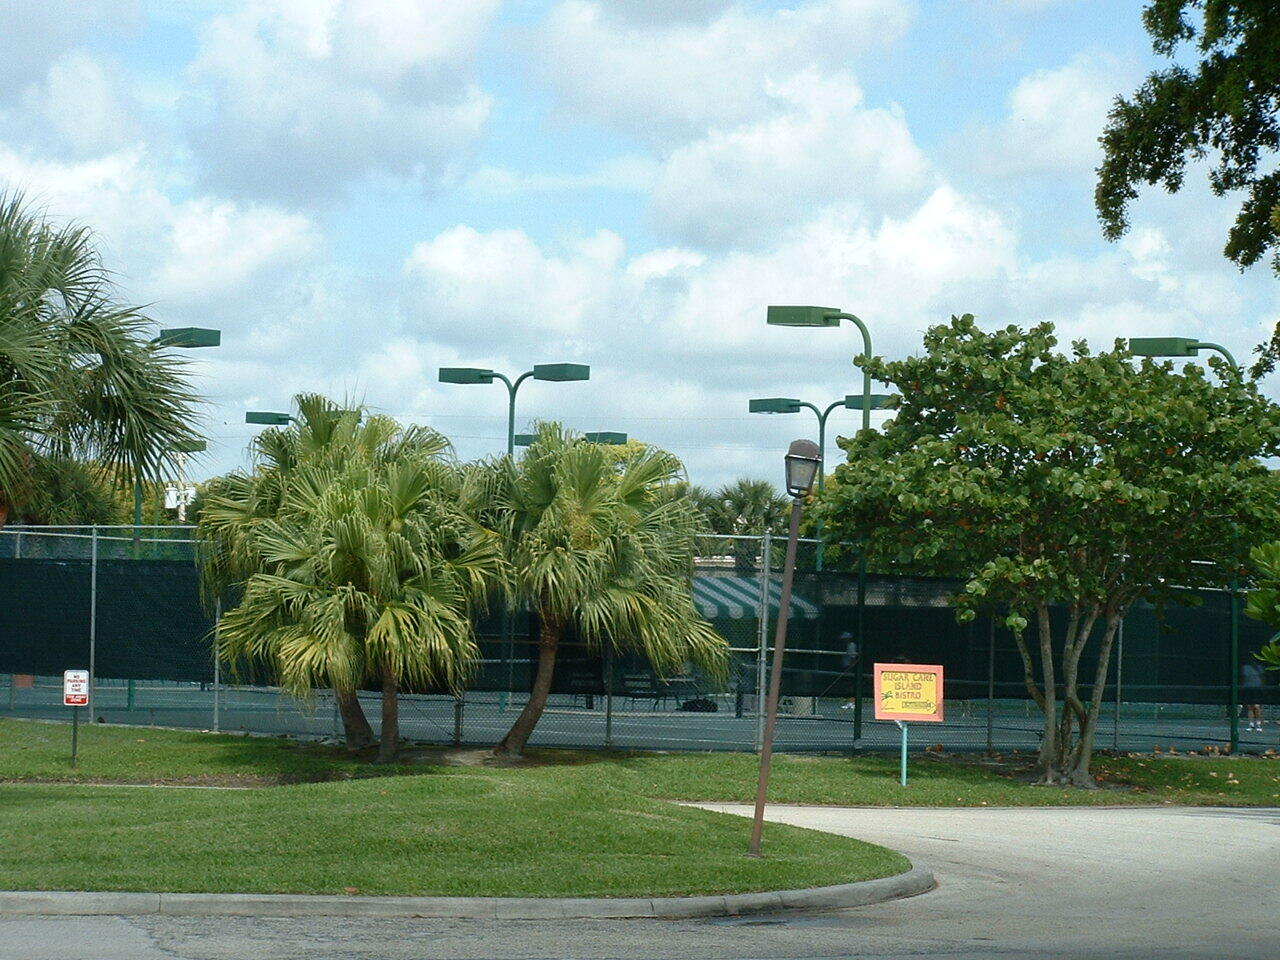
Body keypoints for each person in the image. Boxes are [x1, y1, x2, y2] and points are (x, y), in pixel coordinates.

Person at [1242, 658, 1266, 733]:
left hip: (1257, 689)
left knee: (1257, 707)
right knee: (1250, 707)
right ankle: (1251, 724)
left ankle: (1258, 724)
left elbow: (1263, 678)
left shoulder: (1259, 667)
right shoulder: (1245, 668)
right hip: (1248, 688)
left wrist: (1263, 688)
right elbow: (1243, 678)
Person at [839, 632, 859, 710]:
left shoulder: (851, 646)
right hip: (846, 667)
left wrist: (850, 668)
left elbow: (852, 658)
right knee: (847, 686)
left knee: (850, 685)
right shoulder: (847, 646)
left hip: (849, 668)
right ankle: (850, 702)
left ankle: (852, 702)